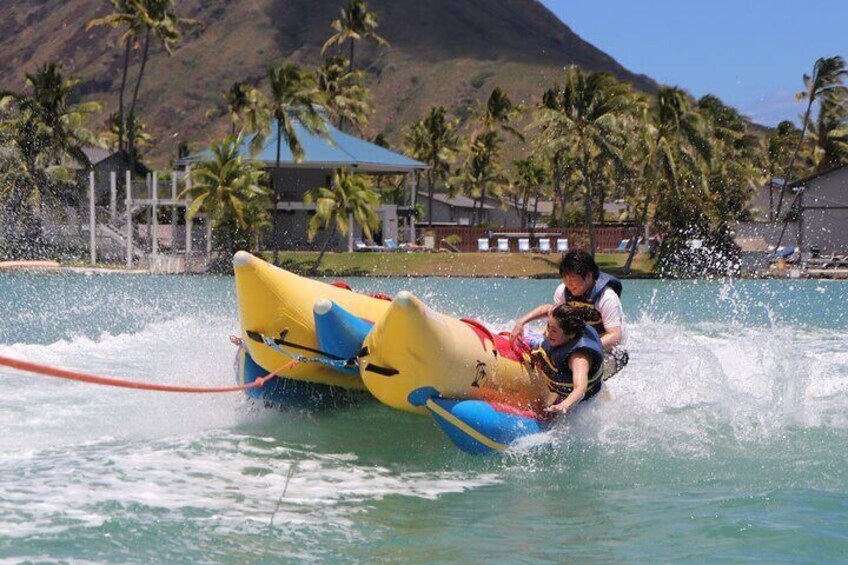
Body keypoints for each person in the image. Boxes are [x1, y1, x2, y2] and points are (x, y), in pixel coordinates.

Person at [510, 249, 628, 378]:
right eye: (565, 277)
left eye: (572, 278)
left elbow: (615, 335)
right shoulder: (563, 291)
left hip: (609, 351)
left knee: (581, 367)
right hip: (575, 341)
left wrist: (583, 347)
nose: (568, 283)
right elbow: (551, 311)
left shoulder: (607, 297)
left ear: (589, 276)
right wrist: (521, 322)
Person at [529, 304, 605, 415]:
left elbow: (580, 389)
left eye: (554, 331)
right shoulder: (559, 333)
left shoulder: (579, 358)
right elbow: (546, 309)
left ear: (570, 334)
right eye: (548, 326)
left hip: (580, 401)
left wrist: (564, 405)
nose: (548, 332)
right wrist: (521, 322)